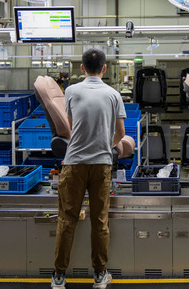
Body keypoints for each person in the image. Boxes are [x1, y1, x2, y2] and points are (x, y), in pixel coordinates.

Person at [52, 49, 125, 289]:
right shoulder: (114, 94)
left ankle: (59, 276)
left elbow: (73, 128)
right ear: (104, 68)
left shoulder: (71, 91)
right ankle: (100, 275)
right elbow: (121, 134)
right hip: (101, 163)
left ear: (82, 69)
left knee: (67, 220)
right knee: (99, 220)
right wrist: (106, 144)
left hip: (74, 164)